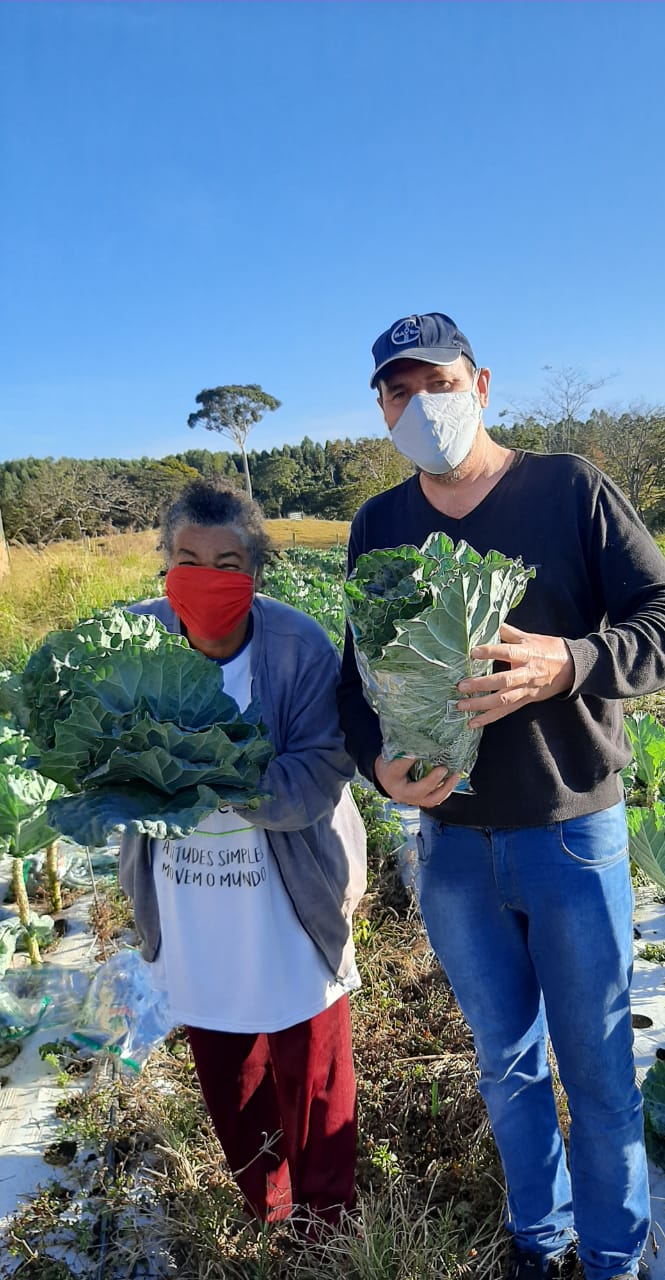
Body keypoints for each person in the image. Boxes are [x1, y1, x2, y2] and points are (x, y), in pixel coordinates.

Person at [337, 313, 665, 1280]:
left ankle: (614, 1257)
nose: (420, 405)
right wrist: (378, 765)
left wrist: (571, 662)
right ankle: (538, 1243)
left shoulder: (569, 489)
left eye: (437, 382)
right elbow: (355, 684)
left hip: (570, 832)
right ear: (381, 409)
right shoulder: (378, 525)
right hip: (451, 847)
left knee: (598, 1071)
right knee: (506, 1065)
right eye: (397, 391)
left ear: (481, 385)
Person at [119, 478, 366, 1231]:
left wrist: (216, 771)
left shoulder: (299, 647)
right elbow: (101, 766)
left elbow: (321, 771)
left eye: (227, 563)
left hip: (290, 899)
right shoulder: (133, 641)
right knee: (229, 1077)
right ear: (165, 564)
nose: (205, 578)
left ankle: (327, 1226)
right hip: (188, 904)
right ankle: (271, 1210)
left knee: (314, 1070)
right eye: (187, 559)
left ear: (256, 571)